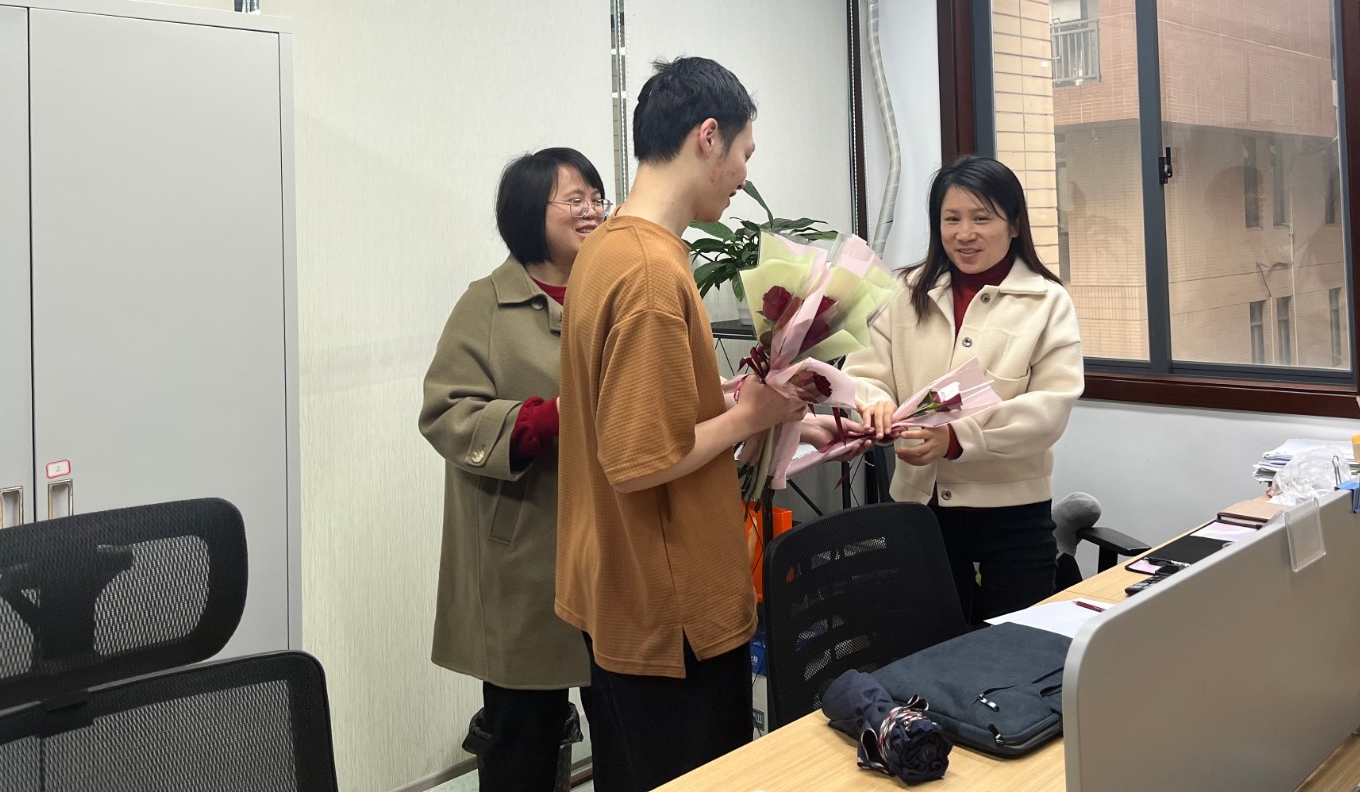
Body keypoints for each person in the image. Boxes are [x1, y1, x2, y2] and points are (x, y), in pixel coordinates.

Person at [553, 57, 804, 792]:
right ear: (707, 136)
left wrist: (716, 400)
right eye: (744, 154)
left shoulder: (608, 248)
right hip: (673, 615)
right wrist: (751, 414)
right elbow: (640, 461)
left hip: (618, 593)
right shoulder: (652, 273)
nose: (743, 177)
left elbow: (623, 410)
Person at [419, 148, 610, 792]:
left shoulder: (611, 293)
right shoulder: (485, 304)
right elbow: (445, 413)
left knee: (623, 729)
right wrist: (546, 418)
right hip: (523, 552)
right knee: (522, 740)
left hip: (612, 547)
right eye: (574, 199)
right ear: (530, 212)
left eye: (597, 198)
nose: (591, 211)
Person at [848, 154, 1083, 624]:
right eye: (951, 219)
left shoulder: (1047, 301)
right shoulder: (905, 291)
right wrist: (874, 406)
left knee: (1014, 649)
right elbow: (864, 373)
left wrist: (957, 439)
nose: (964, 233)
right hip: (919, 508)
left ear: (1014, 225)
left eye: (982, 218)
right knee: (925, 644)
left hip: (1013, 516)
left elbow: (1050, 408)